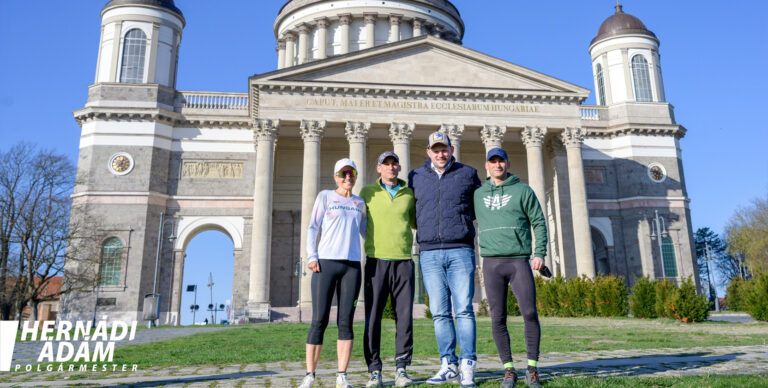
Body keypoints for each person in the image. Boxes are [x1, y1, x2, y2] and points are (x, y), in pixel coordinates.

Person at [408, 132, 482, 387]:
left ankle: (468, 363)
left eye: (445, 149)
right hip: (428, 251)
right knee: (439, 312)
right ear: (428, 151)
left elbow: (480, 207)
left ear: (452, 149)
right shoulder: (415, 177)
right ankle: (448, 363)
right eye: (435, 149)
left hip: (460, 248)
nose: (441, 154)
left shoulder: (468, 174)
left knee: (463, 309)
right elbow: (411, 211)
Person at [473, 148, 546, 388]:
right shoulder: (478, 194)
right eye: (493, 161)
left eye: (501, 161)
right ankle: (508, 370)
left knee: (529, 313)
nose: (497, 165)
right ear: (487, 165)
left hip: (518, 261)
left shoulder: (523, 190)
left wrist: (540, 253)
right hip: (492, 262)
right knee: (497, 317)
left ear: (507, 163)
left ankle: (532, 369)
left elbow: (538, 221)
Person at [299, 158, 367, 388]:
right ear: (336, 176)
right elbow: (312, 227)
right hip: (326, 263)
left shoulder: (360, 202)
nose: (348, 177)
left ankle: (341, 375)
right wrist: (312, 256)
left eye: (351, 173)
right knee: (319, 320)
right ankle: (310, 374)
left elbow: (367, 232)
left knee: (346, 322)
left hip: (352, 266)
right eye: (343, 174)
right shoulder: (325, 196)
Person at [359, 151, 417, 388]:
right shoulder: (367, 193)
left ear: (399, 168)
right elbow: (358, 223)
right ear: (378, 168)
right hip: (376, 261)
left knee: (404, 318)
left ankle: (401, 368)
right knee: (372, 317)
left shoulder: (409, 194)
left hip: (404, 260)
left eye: (394, 164)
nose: (391, 168)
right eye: (386, 164)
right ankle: (374, 370)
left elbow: (415, 222)